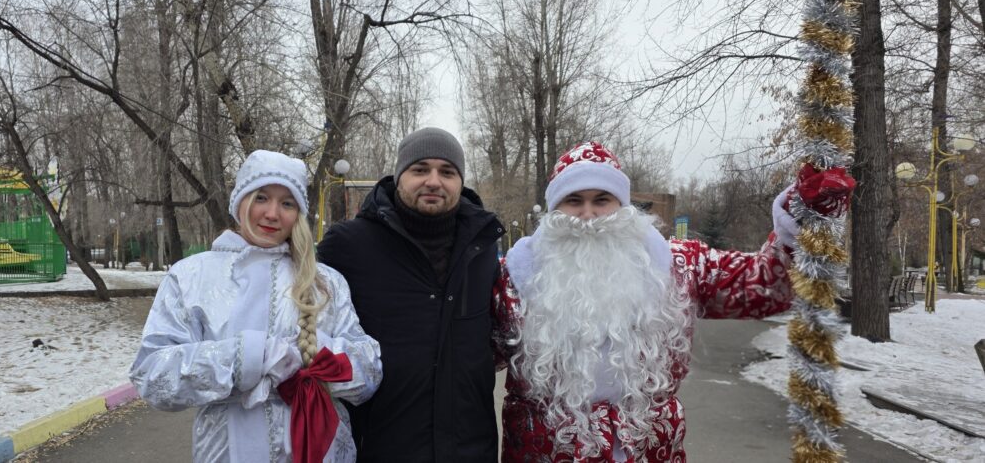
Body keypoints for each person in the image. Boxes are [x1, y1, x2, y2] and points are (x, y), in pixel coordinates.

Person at [492, 141, 854, 462]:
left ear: (622, 206)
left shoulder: (676, 265)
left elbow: (764, 285)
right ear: (555, 209)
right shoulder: (514, 278)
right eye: (574, 200)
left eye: (601, 200)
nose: (588, 214)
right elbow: (467, 357)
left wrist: (804, 218)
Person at [131, 150, 382, 462]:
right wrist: (248, 357)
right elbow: (153, 376)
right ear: (240, 201)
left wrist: (314, 356)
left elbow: (369, 374)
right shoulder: (192, 276)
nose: (272, 214)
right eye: (261, 197)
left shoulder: (326, 282)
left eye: (287, 203)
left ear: (299, 213)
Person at [317, 127, 505, 462]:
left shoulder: (482, 248)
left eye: (447, 172)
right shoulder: (348, 246)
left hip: (470, 449)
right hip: (381, 449)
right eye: (420, 169)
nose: (433, 181)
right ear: (399, 175)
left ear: (460, 182)